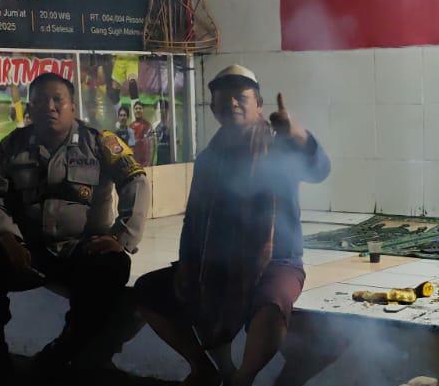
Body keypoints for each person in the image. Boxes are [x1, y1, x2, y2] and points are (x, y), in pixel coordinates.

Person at [134, 65, 331, 386]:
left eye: (241, 97)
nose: (232, 104)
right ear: (214, 110)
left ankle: (243, 378)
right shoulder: (209, 158)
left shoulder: (280, 146)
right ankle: (207, 368)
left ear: (259, 104)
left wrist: (297, 133)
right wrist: (187, 263)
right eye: (224, 100)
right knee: (148, 290)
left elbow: (319, 170)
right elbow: (194, 217)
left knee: (272, 304)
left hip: (277, 261)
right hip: (216, 261)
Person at [0, 72, 151, 384]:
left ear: (72, 106)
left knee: (114, 265)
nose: (49, 107)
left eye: (57, 100)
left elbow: (136, 181)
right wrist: (5, 236)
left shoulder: (100, 143)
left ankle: (58, 356)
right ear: (29, 108)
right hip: (28, 252)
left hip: (82, 250)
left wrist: (120, 236)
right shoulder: (12, 146)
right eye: (39, 101)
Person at [131, 100, 154, 166]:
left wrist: (150, 162)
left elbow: (151, 145)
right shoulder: (130, 127)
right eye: (136, 108)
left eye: (140, 108)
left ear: (143, 110)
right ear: (133, 110)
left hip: (145, 161)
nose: (138, 110)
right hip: (134, 162)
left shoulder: (148, 125)